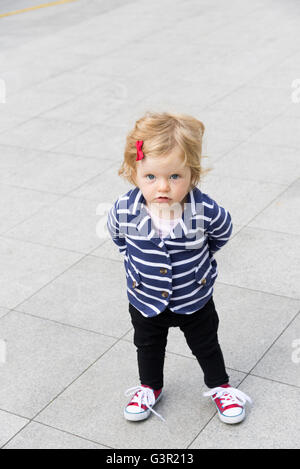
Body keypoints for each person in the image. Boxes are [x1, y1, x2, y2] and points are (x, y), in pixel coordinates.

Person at [107, 111, 252, 425]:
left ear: (192, 174)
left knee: (206, 344)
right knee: (147, 345)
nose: (163, 187)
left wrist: (203, 260)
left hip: (193, 298)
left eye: (175, 176)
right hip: (144, 298)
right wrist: (133, 260)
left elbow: (222, 232)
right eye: (151, 177)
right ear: (133, 173)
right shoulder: (123, 208)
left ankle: (220, 386)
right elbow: (118, 236)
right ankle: (150, 387)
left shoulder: (204, 209)